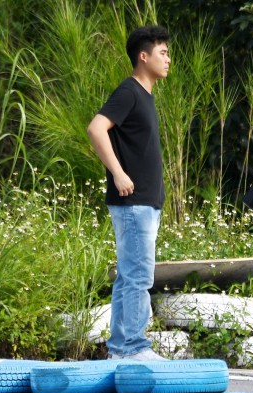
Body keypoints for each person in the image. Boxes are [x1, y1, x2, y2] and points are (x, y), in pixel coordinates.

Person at [87, 25, 172, 361]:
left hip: (143, 203)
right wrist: (118, 173)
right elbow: (96, 129)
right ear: (143, 55)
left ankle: (120, 349)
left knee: (129, 277)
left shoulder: (145, 96)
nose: (167, 59)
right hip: (133, 202)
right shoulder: (130, 91)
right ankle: (133, 347)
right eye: (162, 52)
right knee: (138, 276)